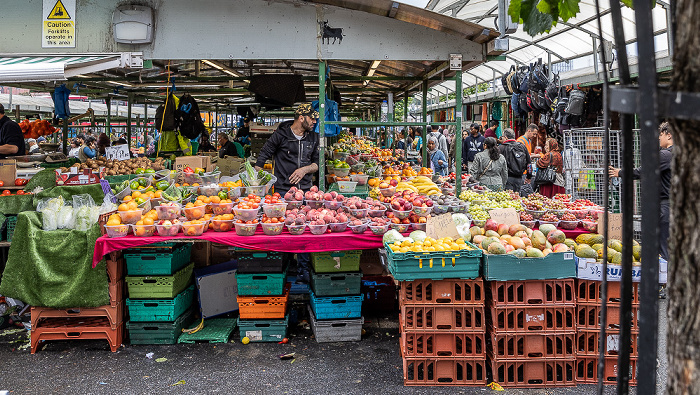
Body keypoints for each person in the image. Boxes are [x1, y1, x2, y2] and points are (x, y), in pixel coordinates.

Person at [255, 104, 319, 284]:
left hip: (305, 190)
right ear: (301, 117)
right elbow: (263, 155)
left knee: (303, 228)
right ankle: (285, 266)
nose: (314, 121)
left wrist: (304, 170)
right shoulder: (281, 135)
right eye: (311, 118)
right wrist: (255, 183)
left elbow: (317, 163)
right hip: (283, 190)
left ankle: (303, 270)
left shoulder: (313, 137)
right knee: (283, 229)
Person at [609, 122, 673, 261]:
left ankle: (665, 278)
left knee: (663, 245)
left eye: (661, 135)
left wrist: (621, 172)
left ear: (669, 135)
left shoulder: (666, 155)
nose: (658, 138)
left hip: (665, 205)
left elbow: (644, 170)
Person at [498, 128, 532, 193]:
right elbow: (529, 164)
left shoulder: (501, 148)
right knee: (517, 198)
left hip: (506, 179)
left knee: (508, 199)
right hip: (520, 178)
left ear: (505, 137)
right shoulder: (522, 147)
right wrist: (529, 176)